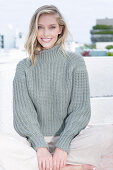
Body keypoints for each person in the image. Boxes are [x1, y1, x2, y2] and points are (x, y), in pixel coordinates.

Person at [1, 4, 112, 170]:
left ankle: (46, 165)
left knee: (108, 133)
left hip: (72, 140)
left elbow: (80, 110)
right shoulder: (23, 67)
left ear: (60, 29)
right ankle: (73, 166)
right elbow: (23, 113)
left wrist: (62, 146)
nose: (46, 33)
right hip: (34, 144)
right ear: (34, 30)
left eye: (52, 27)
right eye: (40, 28)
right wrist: (40, 147)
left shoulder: (75, 62)